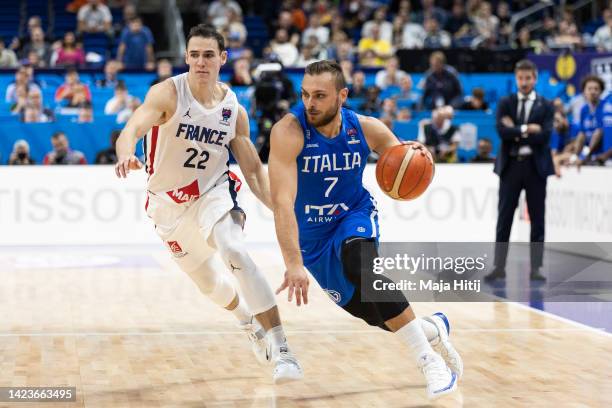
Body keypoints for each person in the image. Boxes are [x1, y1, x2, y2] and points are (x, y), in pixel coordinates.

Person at [113, 24, 303, 383]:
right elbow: (132, 129)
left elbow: (253, 173)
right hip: (166, 206)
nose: (201, 61)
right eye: (195, 54)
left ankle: (284, 350)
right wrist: (125, 154)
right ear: (186, 57)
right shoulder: (168, 94)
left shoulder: (234, 110)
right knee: (210, 285)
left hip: (212, 192)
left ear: (223, 58)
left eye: (209, 55)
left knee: (234, 250)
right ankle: (248, 321)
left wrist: (280, 210)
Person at [268, 60, 462, 401]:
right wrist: (294, 263)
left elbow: (403, 159)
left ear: (342, 95)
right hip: (312, 241)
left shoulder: (366, 127)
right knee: (372, 312)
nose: (309, 103)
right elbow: (282, 204)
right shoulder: (289, 132)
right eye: (305, 94)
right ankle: (433, 329)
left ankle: (430, 362)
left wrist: (417, 158)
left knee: (363, 266)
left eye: (319, 96)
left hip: (352, 215)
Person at [485, 60, 554, 282]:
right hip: (511, 166)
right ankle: (499, 266)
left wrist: (514, 129)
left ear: (535, 79)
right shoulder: (506, 102)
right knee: (504, 218)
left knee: (538, 219)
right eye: (520, 78)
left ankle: (536, 268)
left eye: (528, 78)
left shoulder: (546, 105)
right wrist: (526, 129)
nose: (524, 82)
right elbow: (501, 131)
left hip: (535, 167)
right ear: (516, 79)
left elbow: (545, 136)